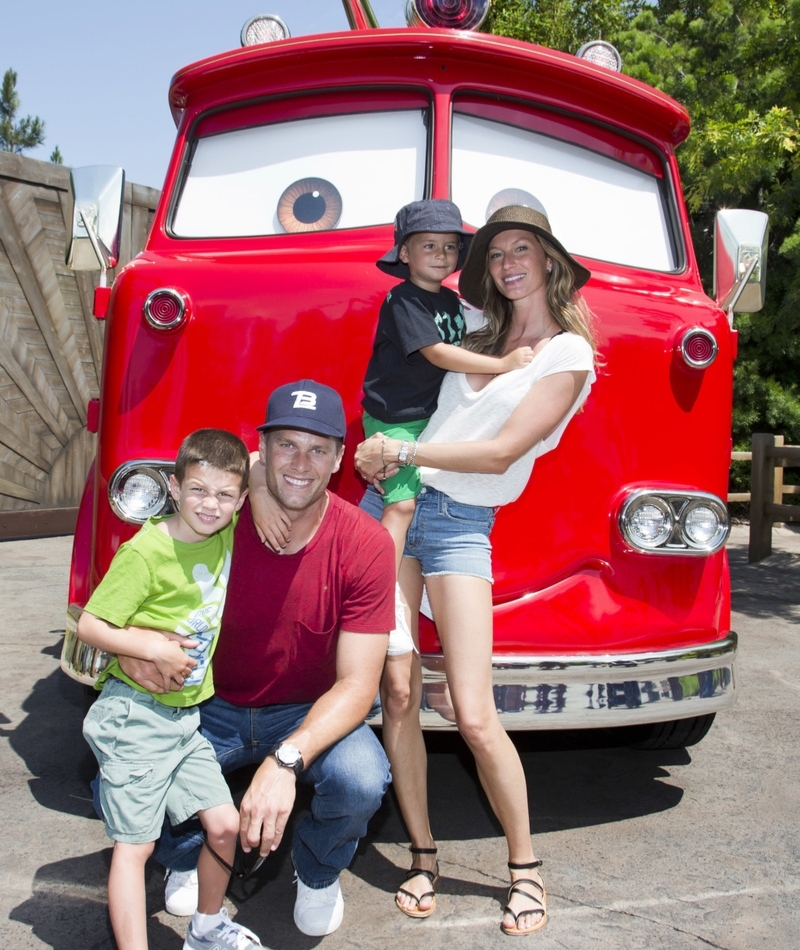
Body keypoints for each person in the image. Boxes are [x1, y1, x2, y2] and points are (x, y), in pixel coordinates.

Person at [354, 202, 597, 936]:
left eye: (521, 248)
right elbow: (407, 399)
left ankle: (524, 870)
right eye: (494, 253)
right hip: (394, 504)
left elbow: (498, 453)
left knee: (474, 711)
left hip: (459, 525)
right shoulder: (472, 330)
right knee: (396, 690)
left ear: (550, 260)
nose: (506, 262)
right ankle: (423, 854)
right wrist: (380, 451)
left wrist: (403, 454)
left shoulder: (567, 356)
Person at [115, 380, 396, 939]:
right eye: (286, 445)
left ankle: (317, 871)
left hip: (303, 711)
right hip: (206, 701)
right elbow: (136, 588)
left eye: (318, 449)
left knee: (362, 778)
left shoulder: (366, 543)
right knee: (127, 763)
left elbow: (359, 685)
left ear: (341, 458)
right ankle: (185, 853)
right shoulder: (217, 513)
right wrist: (142, 649)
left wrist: (287, 761)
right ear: (260, 450)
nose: (300, 462)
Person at [78, 429, 260, 950]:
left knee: (225, 824)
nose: (211, 504)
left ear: (240, 501)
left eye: (225, 495)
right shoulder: (147, 552)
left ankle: (205, 931)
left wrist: (246, 465)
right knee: (135, 847)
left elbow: (254, 465)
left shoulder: (225, 531)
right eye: (198, 490)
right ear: (174, 489)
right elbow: (90, 624)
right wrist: (151, 648)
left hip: (185, 719)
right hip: (135, 715)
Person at [361, 198, 534, 655]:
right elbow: (437, 353)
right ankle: (383, 605)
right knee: (399, 507)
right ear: (404, 253)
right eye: (428, 245)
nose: (441, 255)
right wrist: (503, 364)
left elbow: (484, 323)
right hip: (395, 421)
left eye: (451, 247)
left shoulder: (452, 301)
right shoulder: (403, 300)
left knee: (408, 502)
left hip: (429, 422)